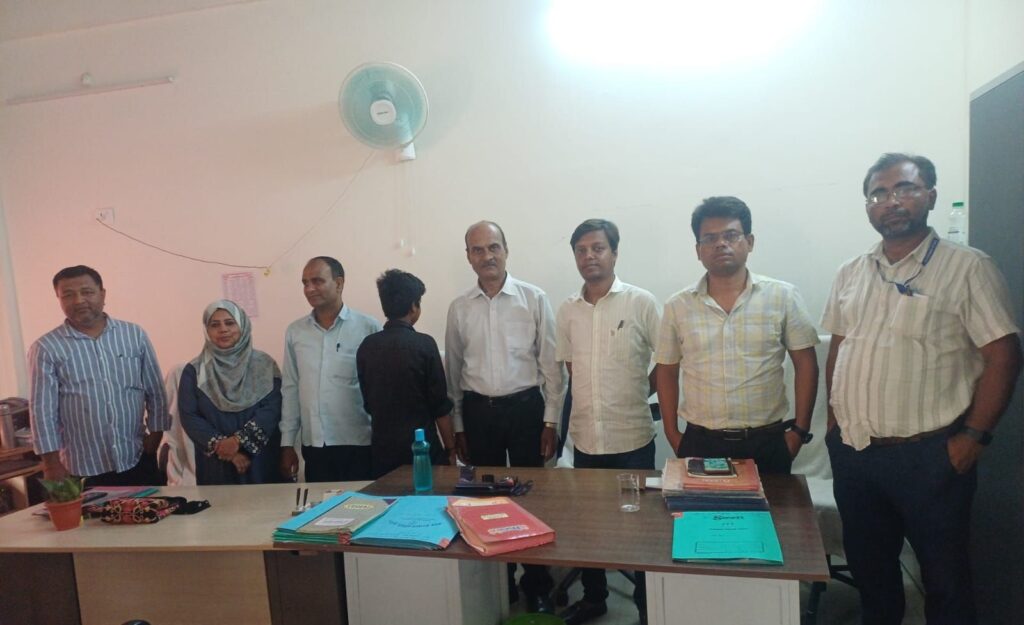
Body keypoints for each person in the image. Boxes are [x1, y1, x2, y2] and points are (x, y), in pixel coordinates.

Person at [822, 153, 1021, 625]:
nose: (891, 201)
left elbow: (1004, 355)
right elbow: (841, 347)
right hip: (856, 455)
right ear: (867, 206)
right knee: (872, 576)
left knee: (945, 582)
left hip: (930, 457)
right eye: (879, 193)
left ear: (930, 195)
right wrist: (834, 426)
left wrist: (972, 438)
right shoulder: (852, 271)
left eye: (905, 188)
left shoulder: (968, 267)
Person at [445, 221, 566, 614]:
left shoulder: (533, 298)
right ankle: (500, 581)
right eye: (478, 250)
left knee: (533, 500)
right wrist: (459, 426)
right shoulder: (459, 308)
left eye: (493, 247)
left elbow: (551, 366)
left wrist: (550, 421)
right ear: (468, 257)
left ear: (506, 250)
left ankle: (538, 584)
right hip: (479, 413)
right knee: (486, 502)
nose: (487, 256)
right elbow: (454, 373)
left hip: (526, 410)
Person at [655, 197, 819, 474]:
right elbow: (666, 371)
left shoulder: (783, 296)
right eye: (710, 238)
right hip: (701, 442)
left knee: (772, 505)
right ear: (698, 250)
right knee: (702, 506)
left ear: (750, 242)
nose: (721, 244)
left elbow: (806, 364)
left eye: (731, 235)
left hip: (767, 442)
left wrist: (799, 432)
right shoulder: (678, 306)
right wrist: (672, 434)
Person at [555, 219, 660, 625]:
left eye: (597, 248)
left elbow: (668, 360)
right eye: (581, 250)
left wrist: (642, 390)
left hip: (632, 437)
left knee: (641, 527)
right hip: (587, 439)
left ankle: (647, 605)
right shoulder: (567, 310)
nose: (589, 256)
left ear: (614, 253)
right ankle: (594, 598)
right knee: (591, 527)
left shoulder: (641, 302)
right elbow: (571, 368)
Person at [29, 265, 168, 486]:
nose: (78, 300)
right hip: (81, 468)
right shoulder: (46, 348)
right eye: (68, 295)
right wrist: (51, 464)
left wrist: (156, 436)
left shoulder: (134, 335)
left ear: (102, 294)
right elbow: (42, 412)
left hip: (136, 457)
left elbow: (155, 390)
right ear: (59, 299)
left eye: (87, 292)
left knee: (150, 508)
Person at [279, 256, 382, 483]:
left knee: (362, 502)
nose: (309, 289)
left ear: (339, 283)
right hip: (315, 445)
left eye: (317, 281)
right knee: (320, 505)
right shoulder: (296, 332)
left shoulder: (368, 327)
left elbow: (381, 389)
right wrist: (287, 443)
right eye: (305, 283)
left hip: (360, 442)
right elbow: (291, 388)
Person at [357, 269, 456, 479]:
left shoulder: (366, 346)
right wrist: (451, 449)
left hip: (382, 452)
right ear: (413, 306)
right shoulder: (425, 345)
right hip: (423, 450)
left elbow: (368, 404)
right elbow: (440, 407)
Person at [178, 300, 283, 485]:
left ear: (242, 325)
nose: (223, 330)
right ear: (207, 330)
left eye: (230, 323)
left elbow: (272, 409)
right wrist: (222, 446)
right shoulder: (195, 370)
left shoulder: (265, 365)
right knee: (220, 502)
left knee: (266, 501)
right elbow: (189, 416)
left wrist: (238, 441)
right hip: (216, 463)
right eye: (214, 325)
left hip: (259, 458)